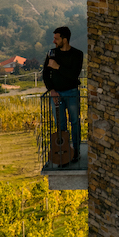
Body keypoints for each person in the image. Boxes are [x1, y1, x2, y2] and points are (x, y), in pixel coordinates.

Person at [43, 26, 84, 166]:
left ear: (65, 39)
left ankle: (76, 152)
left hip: (72, 93)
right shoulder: (51, 54)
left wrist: (57, 67)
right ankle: (64, 154)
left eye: (56, 38)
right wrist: (52, 90)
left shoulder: (77, 54)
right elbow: (45, 74)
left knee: (75, 123)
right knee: (60, 125)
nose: (53, 41)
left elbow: (74, 75)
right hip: (57, 95)